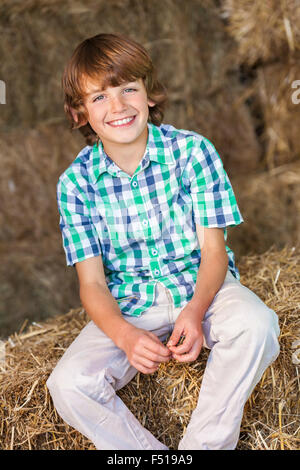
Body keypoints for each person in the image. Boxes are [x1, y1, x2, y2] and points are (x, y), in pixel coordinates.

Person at [46, 33, 280, 450]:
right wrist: (123, 335)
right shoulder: (75, 185)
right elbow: (93, 285)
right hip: (132, 305)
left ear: (150, 95)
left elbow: (213, 253)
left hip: (203, 288)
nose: (117, 107)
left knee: (257, 325)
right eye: (98, 97)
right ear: (79, 113)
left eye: (128, 89)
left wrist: (195, 309)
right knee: (68, 385)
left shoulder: (193, 153)